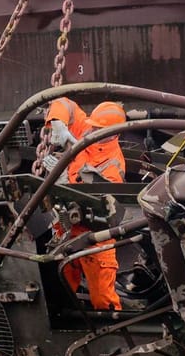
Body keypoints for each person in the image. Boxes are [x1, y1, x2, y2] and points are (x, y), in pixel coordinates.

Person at [42, 99, 126, 311]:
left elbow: (101, 206)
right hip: (68, 232)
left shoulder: (113, 165)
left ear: (114, 133)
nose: (94, 132)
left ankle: (113, 332)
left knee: (103, 299)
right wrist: (59, 122)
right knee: (61, 292)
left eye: (100, 129)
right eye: (94, 127)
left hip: (95, 239)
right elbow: (64, 103)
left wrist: (63, 181)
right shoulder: (85, 130)